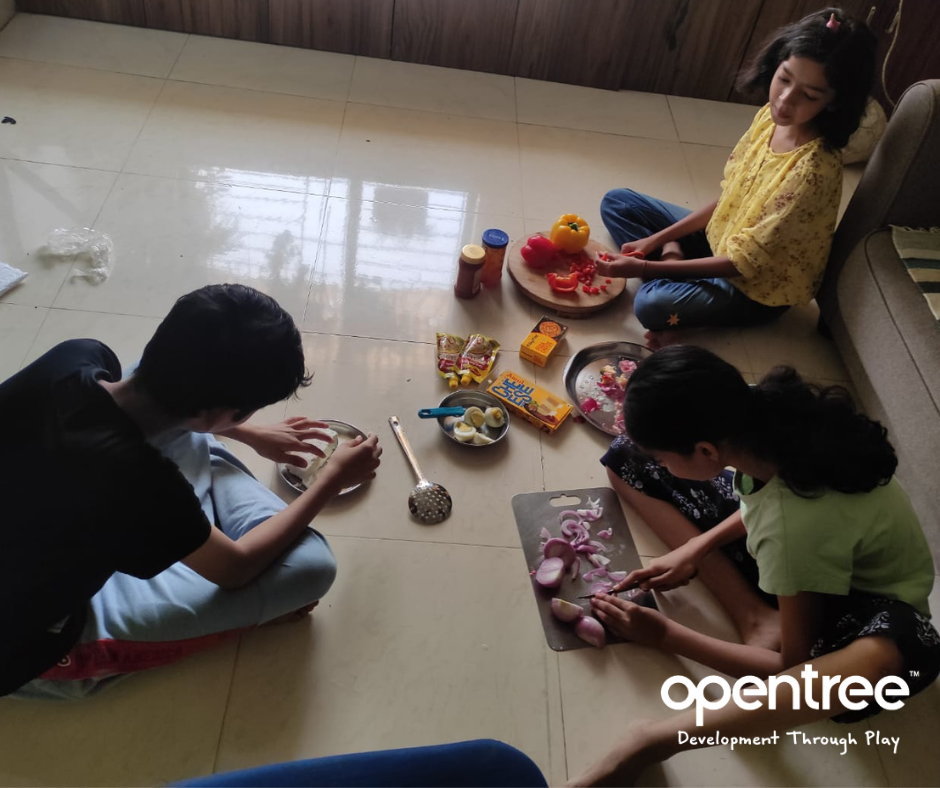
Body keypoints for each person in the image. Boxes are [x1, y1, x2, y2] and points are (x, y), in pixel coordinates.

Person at [571, 346, 940, 786]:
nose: (661, 465)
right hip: (808, 548)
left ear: (705, 451)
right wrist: (697, 547)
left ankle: (652, 742)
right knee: (624, 460)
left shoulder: (791, 529)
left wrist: (666, 635)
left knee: (881, 663)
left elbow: (791, 668)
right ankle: (755, 616)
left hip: (865, 608)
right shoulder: (750, 409)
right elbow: (766, 504)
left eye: (665, 457)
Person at [0, 284, 382, 700]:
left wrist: (248, 432)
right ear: (223, 412)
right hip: (31, 642)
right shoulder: (142, 484)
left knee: (134, 379)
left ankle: (194, 514)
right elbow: (235, 570)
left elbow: (153, 405)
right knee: (311, 566)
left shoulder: (78, 356)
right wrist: (330, 480)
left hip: (36, 525)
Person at [595, 8, 876, 350]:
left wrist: (645, 269)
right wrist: (656, 240)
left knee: (650, 305)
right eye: (784, 78)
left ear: (835, 102)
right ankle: (673, 263)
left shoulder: (812, 172)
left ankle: (673, 280)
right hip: (724, 239)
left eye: (809, 95)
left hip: (753, 289)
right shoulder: (770, 118)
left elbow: (741, 264)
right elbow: (730, 197)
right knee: (618, 202)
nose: (784, 100)